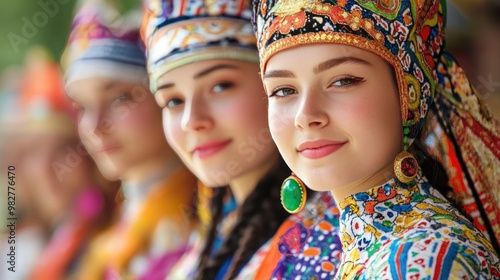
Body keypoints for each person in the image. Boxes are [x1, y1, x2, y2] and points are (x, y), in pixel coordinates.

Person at [252, 0, 500, 278]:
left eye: (343, 81)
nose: (306, 115)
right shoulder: (347, 249)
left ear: (408, 95)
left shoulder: (422, 262)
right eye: (284, 90)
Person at [141, 0, 296, 278]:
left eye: (220, 86)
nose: (192, 120)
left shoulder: (326, 241)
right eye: (173, 101)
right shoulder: (208, 241)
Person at [63, 1, 197, 279]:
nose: (95, 126)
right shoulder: (114, 224)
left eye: (120, 98)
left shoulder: (199, 223)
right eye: (83, 106)